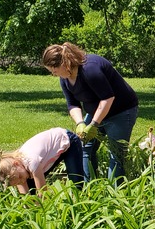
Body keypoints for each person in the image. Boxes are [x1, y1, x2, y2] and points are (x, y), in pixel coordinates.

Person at [42, 42, 139, 183]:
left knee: (116, 153)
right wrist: (80, 123)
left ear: (64, 63)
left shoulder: (90, 69)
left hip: (121, 111)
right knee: (85, 148)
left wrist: (94, 124)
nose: (53, 74)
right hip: (96, 112)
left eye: (54, 70)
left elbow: (107, 97)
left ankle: (116, 194)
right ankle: (89, 188)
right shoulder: (65, 79)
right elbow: (72, 104)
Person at [0, 127, 84, 196]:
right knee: (29, 183)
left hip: (68, 141)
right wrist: (27, 208)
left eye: (20, 177)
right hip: (49, 153)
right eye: (17, 182)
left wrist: (40, 208)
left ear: (16, 163)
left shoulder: (32, 162)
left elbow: (43, 192)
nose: (22, 181)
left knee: (76, 181)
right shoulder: (17, 171)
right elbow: (24, 195)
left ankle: (78, 204)